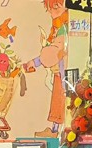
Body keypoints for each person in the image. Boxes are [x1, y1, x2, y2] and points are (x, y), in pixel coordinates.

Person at [24, 0, 67, 139]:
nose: (51, 13)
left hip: (64, 74)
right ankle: (56, 130)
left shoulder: (64, 28)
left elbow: (54, 51)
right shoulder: (59, 27)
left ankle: (59, 132)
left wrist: (36, 62)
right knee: (58, 103)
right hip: (60, 73)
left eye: (55, 8)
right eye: (50, 9)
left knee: (61, 103)